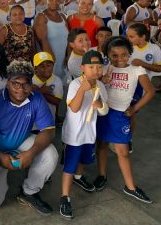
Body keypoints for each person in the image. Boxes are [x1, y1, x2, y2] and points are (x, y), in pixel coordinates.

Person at [0, 61, 58, 215]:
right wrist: (0, 156)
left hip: (20, 142)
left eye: (26, 84)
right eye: (15, 83)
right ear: (7, 83)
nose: (20, 89)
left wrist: (30, 153)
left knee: (51, 154)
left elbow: (48, 130)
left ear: (31, 84)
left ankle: (29, 192)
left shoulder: (37, 98)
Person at [95, 37, 155, 203]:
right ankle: (102, 175)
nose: (119, 58)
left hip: (121, 115)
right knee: (101, 144)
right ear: (108, 54)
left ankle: (130, 187)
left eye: (123, 54)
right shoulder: (106, 68)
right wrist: (101, 80)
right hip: (104, 111)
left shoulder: (137, 70)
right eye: (114, 55)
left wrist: (134, 109)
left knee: (122, 152)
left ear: (130, 53)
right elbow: (92, 86)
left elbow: (150, 92)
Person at [60, 50, 109, 219]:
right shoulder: (75, 84)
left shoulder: (101, 86)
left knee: (84, 159)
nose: (95, 70)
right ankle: (65, 197)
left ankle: (78, 177)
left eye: (99, 67)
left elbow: (104, 111)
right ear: (82, 67)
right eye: (91, 66)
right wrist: (82, 89)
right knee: (69, 166)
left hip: (89, 133)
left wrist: (100, 105)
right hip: (74, 135)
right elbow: (73, 108)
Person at [33, 0, 69, 79]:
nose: (54, 2)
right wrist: (50, 60)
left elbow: (69, 37)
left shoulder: (63, 16)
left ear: (60, 1)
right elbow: (42, 39)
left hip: (62, 57)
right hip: (49, 58)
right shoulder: (41, 17)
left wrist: (68, 55)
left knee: (61, 84)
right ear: (46, 0)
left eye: (57, 0)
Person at [32, 52, 63, 121]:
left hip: (49, 120)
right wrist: (41, 91)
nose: (46, 68)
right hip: (32, 121)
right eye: (42, 66)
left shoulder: (57, 80)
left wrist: (38, 92)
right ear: (35, 68)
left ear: (53, 66)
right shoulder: (29, 80)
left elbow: (56, 101)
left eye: (48, 65)